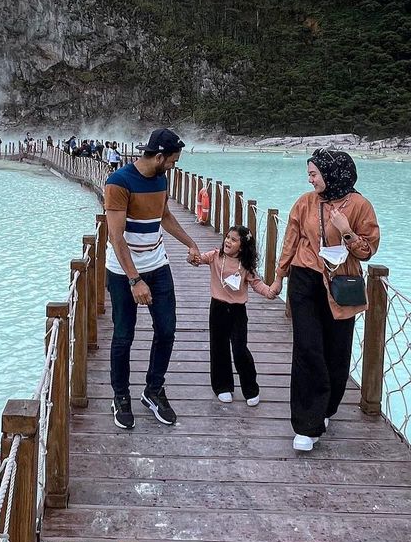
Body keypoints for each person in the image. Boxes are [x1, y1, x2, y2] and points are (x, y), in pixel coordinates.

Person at [269, 149, 380, 452]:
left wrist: (346, 231)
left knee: (337, 350)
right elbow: (291, 239)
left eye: (314, 173)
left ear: (333, 173)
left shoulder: (359, 205)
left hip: (341, 283)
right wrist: (280, 275)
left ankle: (326, 407)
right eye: (310, 173)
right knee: (307, 348)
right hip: (304, 278)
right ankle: (306, 425)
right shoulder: (305, 202)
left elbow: (368, 251)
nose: (310, 178)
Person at [104, 128, 201, 430]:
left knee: (167, 329)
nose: (174, 165)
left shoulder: (161, 178)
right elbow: (116, 237)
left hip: (157, 264)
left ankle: (153, 389)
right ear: (159, 156)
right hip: (123, 271)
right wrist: (135, 280)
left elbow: (165, 216)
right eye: (172, 160)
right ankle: (121, 396)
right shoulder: (118, 182)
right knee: (123, 335)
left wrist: (191, 243)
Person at [190, 225, 275, 406]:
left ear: (242, 246)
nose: (228, 241)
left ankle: (250, 388)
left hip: (238, 311)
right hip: (218, 308)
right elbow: (198, 259)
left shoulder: (245, 266)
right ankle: (222, 386)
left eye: (233, 240)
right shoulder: (215, 256)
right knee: (219, 347)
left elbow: (257, 283)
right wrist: (193, 257)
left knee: (239, 349)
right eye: (227, 237)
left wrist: (269, 292)